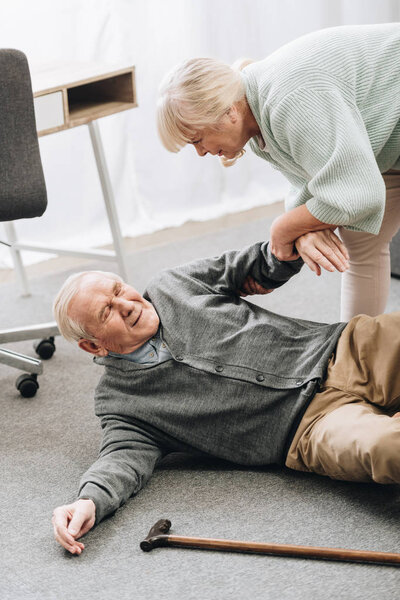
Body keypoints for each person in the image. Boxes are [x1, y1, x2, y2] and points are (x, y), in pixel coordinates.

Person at [51, 241, 400, 555]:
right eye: (106, 311)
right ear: (92, 345)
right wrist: (89, 500)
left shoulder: (172, 286)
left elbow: (251, 266)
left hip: (343, 349)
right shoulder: (119, 402)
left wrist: (287, 247)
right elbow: (122, 459)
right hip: (308, 429)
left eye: (118, 290)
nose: (125, 304)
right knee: (386, 448)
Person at [157, 23, 400, 321]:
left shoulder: (289, 100)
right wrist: (302, 228)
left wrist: (285, 228)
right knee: (360, 245)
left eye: (197, 139)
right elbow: (315, 181)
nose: (201, 152)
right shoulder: (255, 123)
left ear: (229, 113)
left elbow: (357, 195)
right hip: (382, 141)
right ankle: (359, 357)